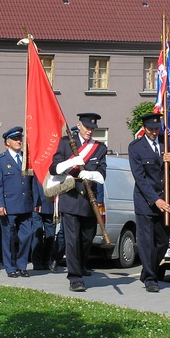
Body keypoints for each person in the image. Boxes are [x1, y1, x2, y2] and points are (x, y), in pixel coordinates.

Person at [50, 113, 107, 292]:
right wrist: (71, 161)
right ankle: (75, 278)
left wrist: (90, 175)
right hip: (71, 199)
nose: (89, 131)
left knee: (86, 239)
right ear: (79, 126)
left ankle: (80, 267)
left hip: (89, 201)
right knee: (72, 241)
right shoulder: (67, 143)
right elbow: (54, 168)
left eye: (92, 128)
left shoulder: (99, 148)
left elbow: (102, 175)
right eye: (87, 127)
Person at [128, 113, 170, 293]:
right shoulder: (136, 147)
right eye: (150, 129)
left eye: (156, 128)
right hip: (146, 201)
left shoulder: (165, 142)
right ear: (144, 128)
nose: (154, 132)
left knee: (163, 241)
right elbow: (140, 178)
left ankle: (147, 270)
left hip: (165, 199)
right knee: (146, 242)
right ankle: (151, 277)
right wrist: (155, 200)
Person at [0, 127, 36, 278]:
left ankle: (22, 265)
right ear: (7, 142)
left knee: (27, 235)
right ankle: (10, 267)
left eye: (20, 139)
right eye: (15, 139)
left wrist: (35, 201)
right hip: (8, 204)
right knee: (8, 237)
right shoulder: (0, 161)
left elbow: (32, 183)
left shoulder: (26, 159)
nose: (19, 141)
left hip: (25, 204)